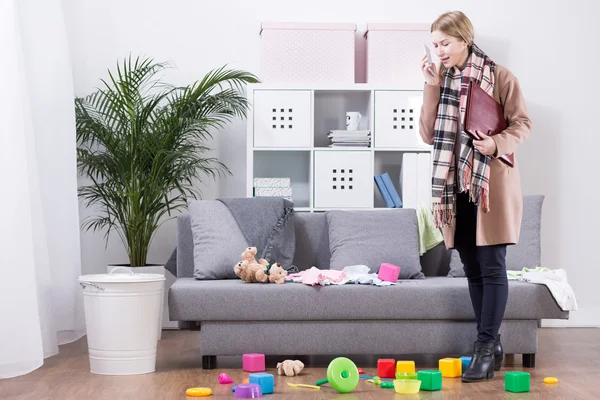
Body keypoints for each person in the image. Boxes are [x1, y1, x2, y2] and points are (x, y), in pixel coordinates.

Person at [419, 11, 532, 382]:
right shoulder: (441, 77)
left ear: (464, 38)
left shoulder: (499, 76)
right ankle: (493, 342)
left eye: (445, 43)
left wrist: (495, 143)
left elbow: (522, 123)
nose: (439, 51)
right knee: (471, 266)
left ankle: (483, 347)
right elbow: (426, 134)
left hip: (491, 184)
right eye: (435, 45)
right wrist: (430, 85)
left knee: (492, 264)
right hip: (455, 186)